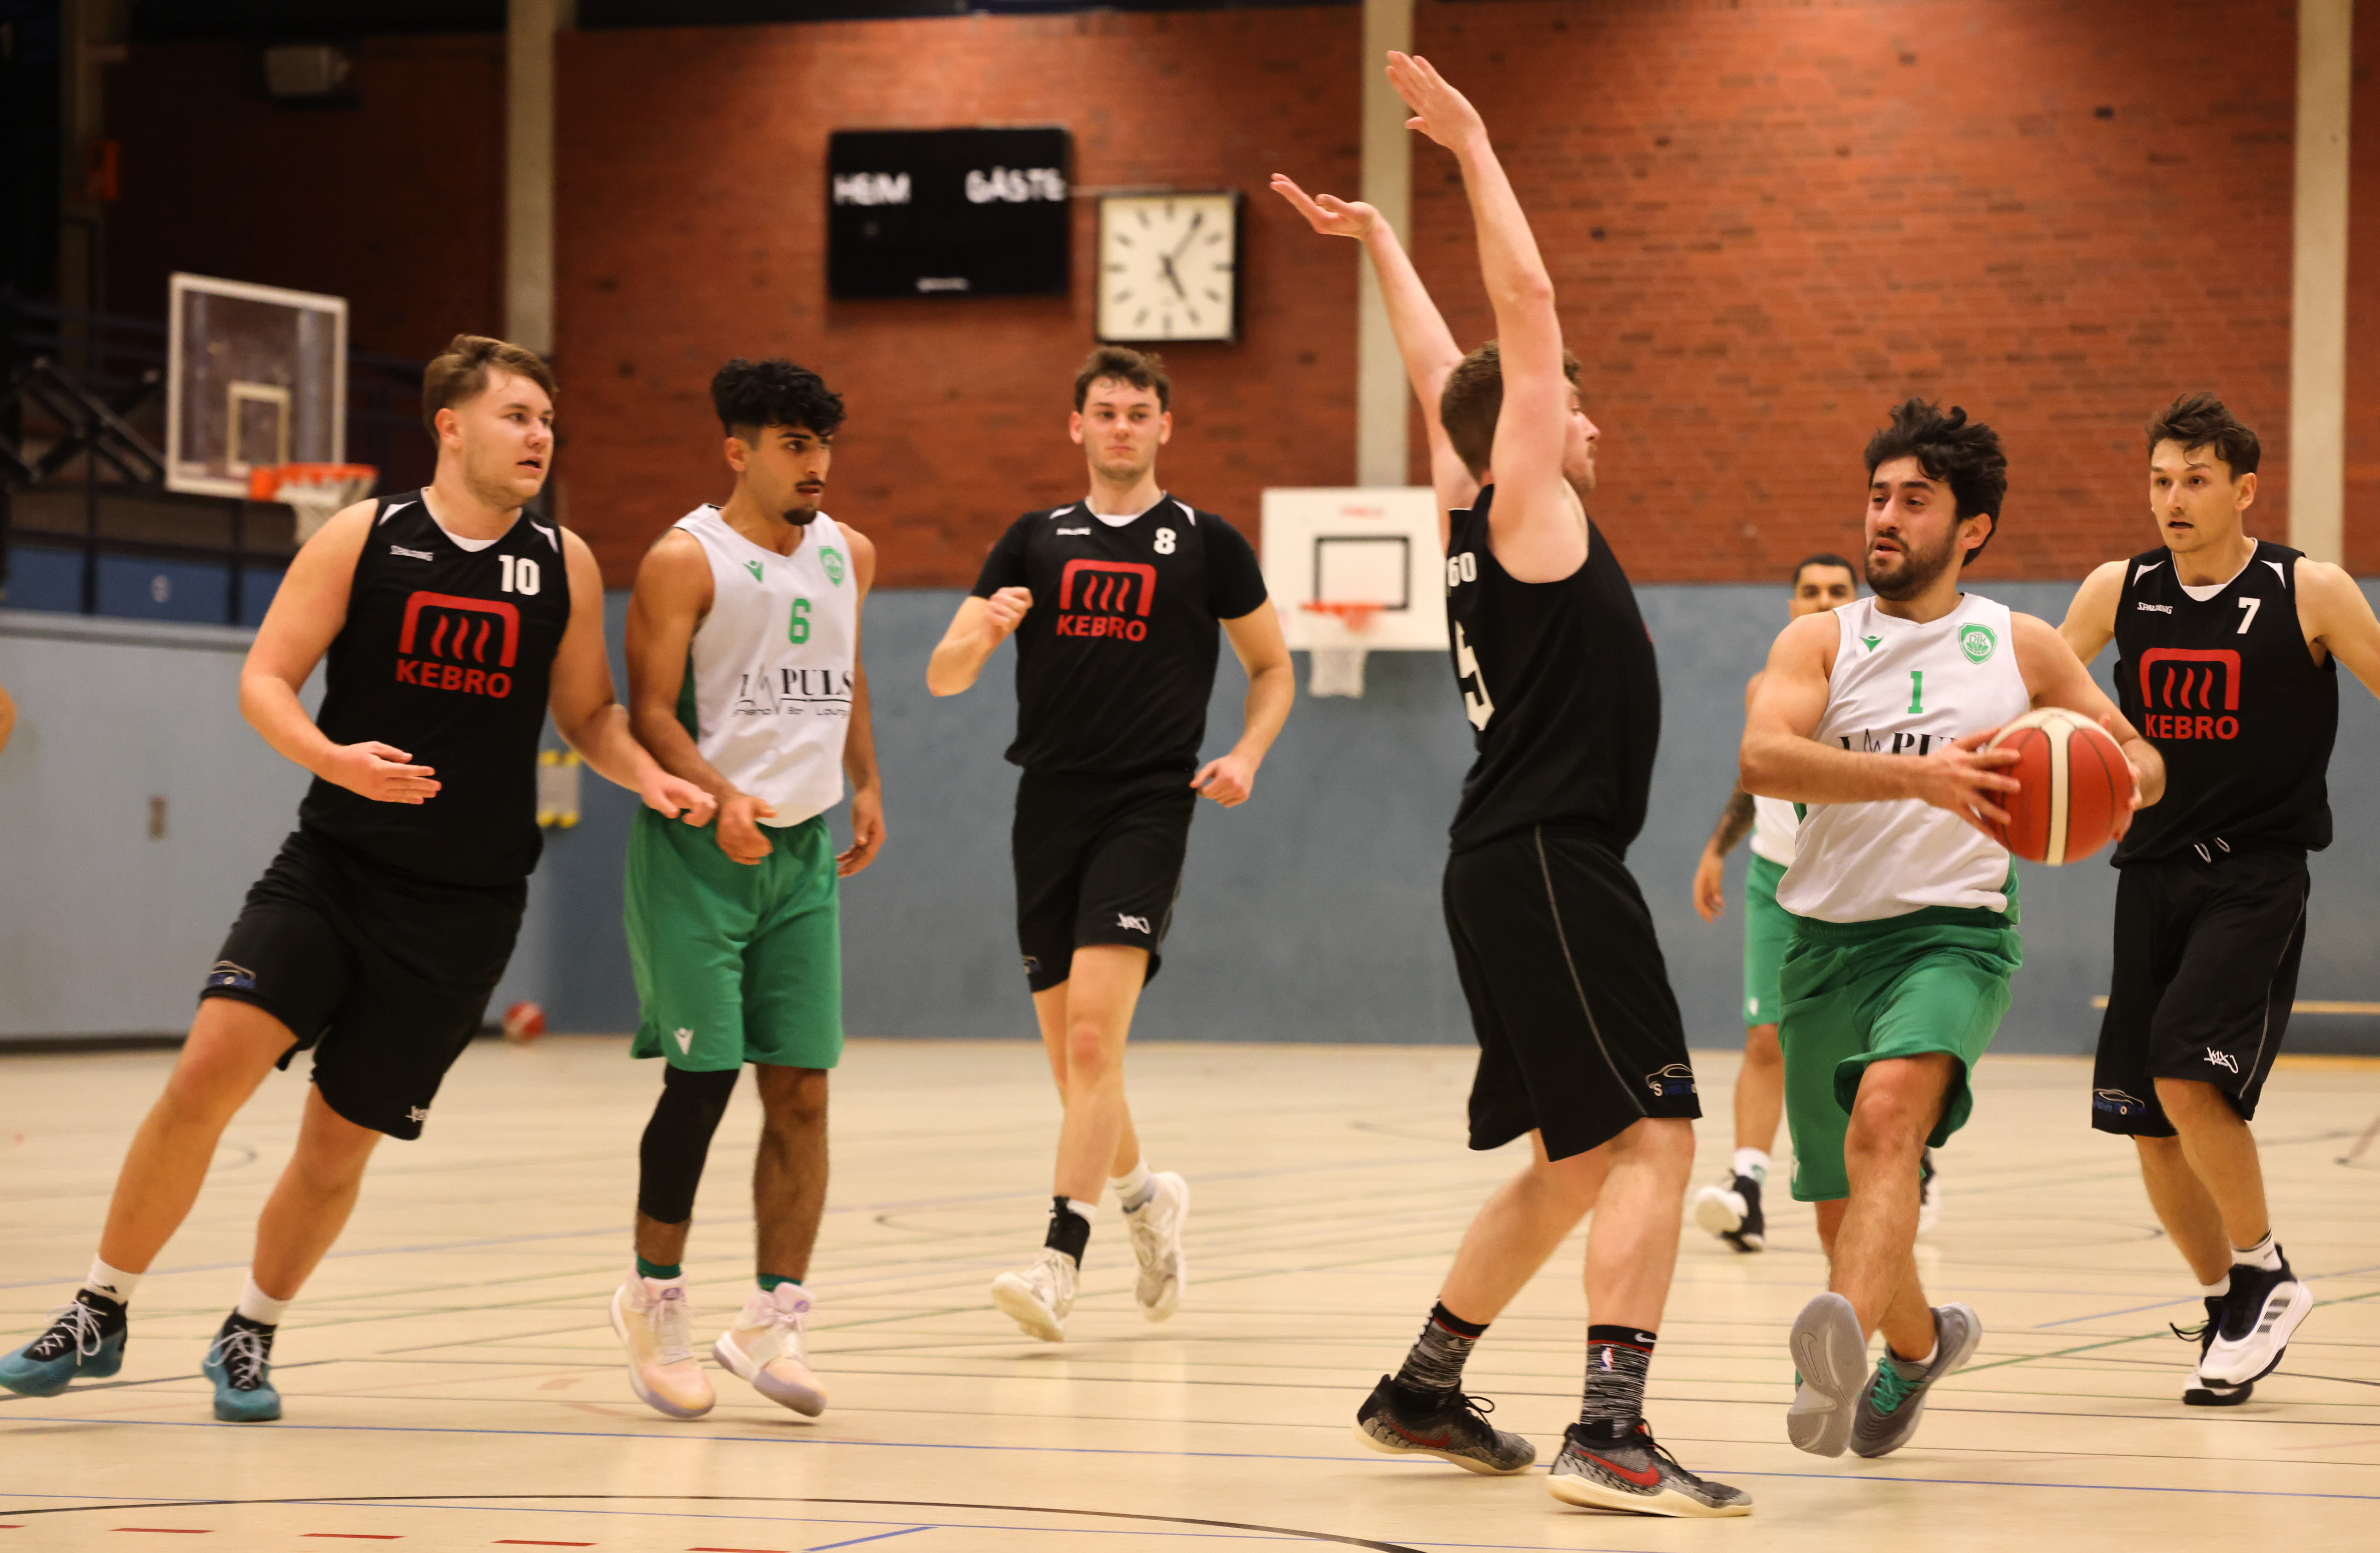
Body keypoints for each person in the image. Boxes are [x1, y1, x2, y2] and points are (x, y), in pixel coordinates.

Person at [0, 335, 712, 1420]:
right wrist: (331, 758)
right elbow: (265, 678)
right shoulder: (363, 534)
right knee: (203, 1077)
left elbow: (589, 715)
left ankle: (251, 1331)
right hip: (332, 872)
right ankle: (100, 1307)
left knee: (337, 1146)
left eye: (546, 419)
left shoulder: (561, 560)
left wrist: (648, 778)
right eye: (518, 415)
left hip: (464, 909)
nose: (540, 435)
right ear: (451, 426)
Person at [1273, 53, 1749, 1520]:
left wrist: (1383, 241)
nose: (1585, 425)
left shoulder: (1470, 510)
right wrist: (1474, 145)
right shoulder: (1533, 509)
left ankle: (1422, 1386)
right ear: (1531, 438)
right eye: (1570, 412)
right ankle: (1611, 1426)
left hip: (1502, 858)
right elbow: (1523, 315)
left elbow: (1449, 382)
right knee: (1658, 1131)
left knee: (1573, 1158)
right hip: (1549, 856)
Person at [1740, 399, 2164, 1459]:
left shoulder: (2018, 645)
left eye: (1913, 501)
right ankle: (1917, 1347)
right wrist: (1919, 778)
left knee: (1886, 1123)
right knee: (1839, 1207)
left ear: (1970, 527)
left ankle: (1828, 1356)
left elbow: (2138, 755)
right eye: (1876, 497)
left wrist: (2119, 781)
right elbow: (1761, 759)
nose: (1884, 517)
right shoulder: (1817, 640)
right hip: (1821, 942)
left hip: (1952, 936)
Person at [2058, 391, 2380, 1405]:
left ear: (2242, 491)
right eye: (2159, 481)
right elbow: (2040, 695)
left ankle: (2266, 1270)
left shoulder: (2305, 590)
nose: (2172, 500)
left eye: (2194, 481)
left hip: (2255, 874)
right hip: (2149, 873)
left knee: (2187, 1076)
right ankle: (2228, 1303)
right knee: (2145, 1122)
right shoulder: (2117, 589)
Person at [925, 345, 1293, 1342]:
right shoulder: (1031, 541)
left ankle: (1058, 1260)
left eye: (1138, 412)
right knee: (1071, 1062)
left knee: (1094, 1040)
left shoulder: (1208, 543)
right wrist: (984, 634)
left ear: (1164, 426)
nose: (1121, 427)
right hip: (1046, 806)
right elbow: (943, 675)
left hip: (1148, 805)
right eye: (1105, 411)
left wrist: (1247, 754)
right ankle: (1144, 1199)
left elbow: (1272, 669)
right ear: (1076, 425)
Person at [609, 358, 884, 1420]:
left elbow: (847, 673)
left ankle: (772, 1319)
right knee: (703, 1079)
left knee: (803, 1090)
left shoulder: (849, 552)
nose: (816, 465)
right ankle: (651, 1299)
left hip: (802, 855)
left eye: (823, 445)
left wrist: (867, 782)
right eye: (793, 446)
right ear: (738, 451)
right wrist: (721, 795)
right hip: (699, 853)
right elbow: (649, 711)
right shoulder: (684, 560)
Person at [1688, 554, 1859, 1253]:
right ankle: (1747, 1189)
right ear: (1790, 606)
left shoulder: (1878, 683)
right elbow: (1754, 774)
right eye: (1809, 591)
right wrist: (1716, 848)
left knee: (1865, 1047)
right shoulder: (1767, 685)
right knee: (1765, 1038)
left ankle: (1907, 1162)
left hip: (1852, 882)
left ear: (1858, 602)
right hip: (1774, 878)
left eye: (1836, 591)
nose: (1821, 599)